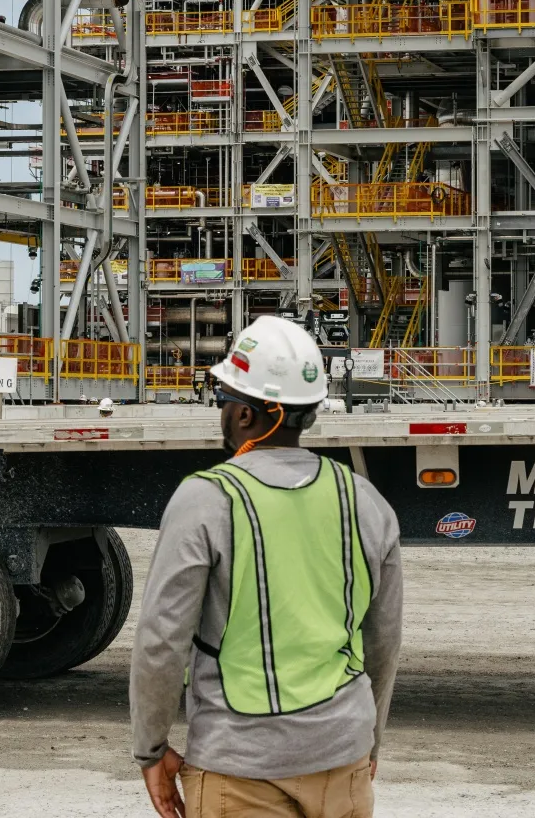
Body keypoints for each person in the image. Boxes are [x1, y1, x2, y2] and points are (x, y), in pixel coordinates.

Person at [132, 315, 403, 818]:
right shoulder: (364, 501)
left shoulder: (205, 500)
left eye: (223, 400)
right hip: (343, 760)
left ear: (245, 416)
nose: (221, 413)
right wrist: (371, 743)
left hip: (240, 768)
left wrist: (150, 748)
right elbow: (382, 643)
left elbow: (161, 640)